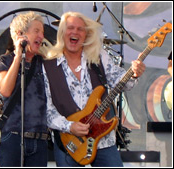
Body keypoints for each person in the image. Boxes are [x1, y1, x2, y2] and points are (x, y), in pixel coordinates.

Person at [42, 11, 146, 167]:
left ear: (86, 35)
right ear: (62, 32)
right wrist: (70, 126)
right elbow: (46, 109)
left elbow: (123, 83)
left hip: (104, 140)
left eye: (80, 29)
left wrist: (134, 74)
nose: (75, 32)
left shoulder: (99, 57)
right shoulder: (48, 66)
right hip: (70, 140)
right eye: (70, 28)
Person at [0, 11, 48, 167]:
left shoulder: (44, 63)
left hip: (40, 138)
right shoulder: (6, 60)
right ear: (20, 34)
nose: (41, 36)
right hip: (13, 136)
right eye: (37, 31)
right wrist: (18, 56)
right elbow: (5, 90)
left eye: (42, 32)